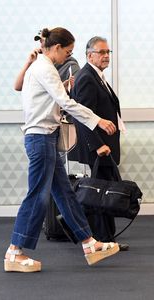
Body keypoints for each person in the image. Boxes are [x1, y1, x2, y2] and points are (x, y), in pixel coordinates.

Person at [4, 28, 119, 273]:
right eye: (67, 52)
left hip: (44, 138)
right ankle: (15, 251)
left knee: (65, 194)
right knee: (37, 195)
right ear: (56, 48)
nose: (68, 57)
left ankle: (89, 243)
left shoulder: (42, 68)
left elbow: (51, 98)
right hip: (41, 139)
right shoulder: (45, 67)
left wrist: (64, 86)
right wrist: (97, 120)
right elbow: (66, 103)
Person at [68, 36, 128, 251]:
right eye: (101, 52)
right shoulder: (86, 77)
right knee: (101, 193)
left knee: (105, 191)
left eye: (107, 52)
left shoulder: (96, 76)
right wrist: (97, 145)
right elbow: (81, 117)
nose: (105, 56)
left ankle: (107, 238)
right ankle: (103, 239)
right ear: (89, 55)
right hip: (99, 147)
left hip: (105, 145)